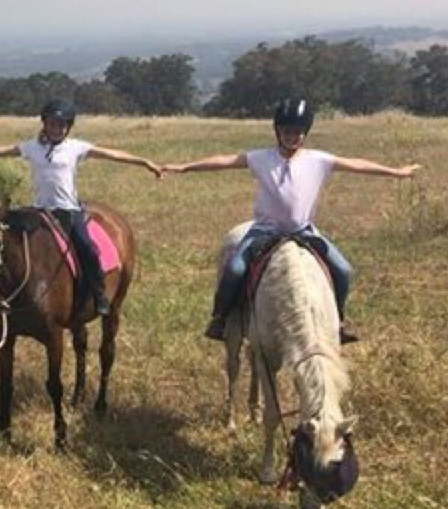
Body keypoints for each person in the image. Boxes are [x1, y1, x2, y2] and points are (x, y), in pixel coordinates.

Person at [163, 98, 421, 343]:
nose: (292, 136)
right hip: (265, 232)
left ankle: (338, 322)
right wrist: (186, 167)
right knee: (235, 270)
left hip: (303, 231)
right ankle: (220, 319)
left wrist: (395, 172)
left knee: (343, 270)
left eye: (297, 132)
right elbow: (225, 161)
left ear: (305, 132)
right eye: (286, 131)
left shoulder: (318, 160)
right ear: (277, 131)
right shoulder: (261, 158)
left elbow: (357, 165)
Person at [0, 99, 162, 315]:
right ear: (44, 124)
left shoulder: (76, 148)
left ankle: (99, 295)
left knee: (88, 249)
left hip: (69, 212)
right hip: (38, 212)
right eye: (53, 124)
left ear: (68, 127)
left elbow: (112, 154)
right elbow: (5, 150)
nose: (57, 129)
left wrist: (144, 162)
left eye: (62, 125)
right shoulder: (32, 148)